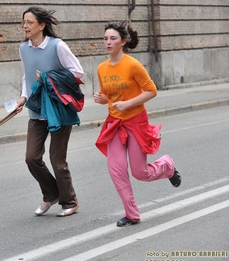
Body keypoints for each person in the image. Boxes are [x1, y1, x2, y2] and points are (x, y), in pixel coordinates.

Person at [93, 20, 181, 227]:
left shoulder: (132, 65)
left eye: (112, 38)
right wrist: (101, 99)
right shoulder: (101, 68)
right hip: (114, 123)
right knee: (116, 169)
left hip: (135, 122)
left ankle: (167, 165)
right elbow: (109, 96)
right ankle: (132, 214)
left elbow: (151, 90)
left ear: (122, 42)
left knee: (140, 173)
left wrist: (128, 104)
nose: (108, 42)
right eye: (105, 38)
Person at [15, 6, 84, 217]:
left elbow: (77, 72)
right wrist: (23, 97)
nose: (25, 26)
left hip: (58, 110)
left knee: (57, 160)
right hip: (37, 110)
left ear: (42, 25)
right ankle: (51, 194)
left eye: (29, 22)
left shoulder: (57, 46)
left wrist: (48, 78)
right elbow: (27, 76)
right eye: (23, 22)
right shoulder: (23, 48)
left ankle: (70, 201)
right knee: (31, 157)